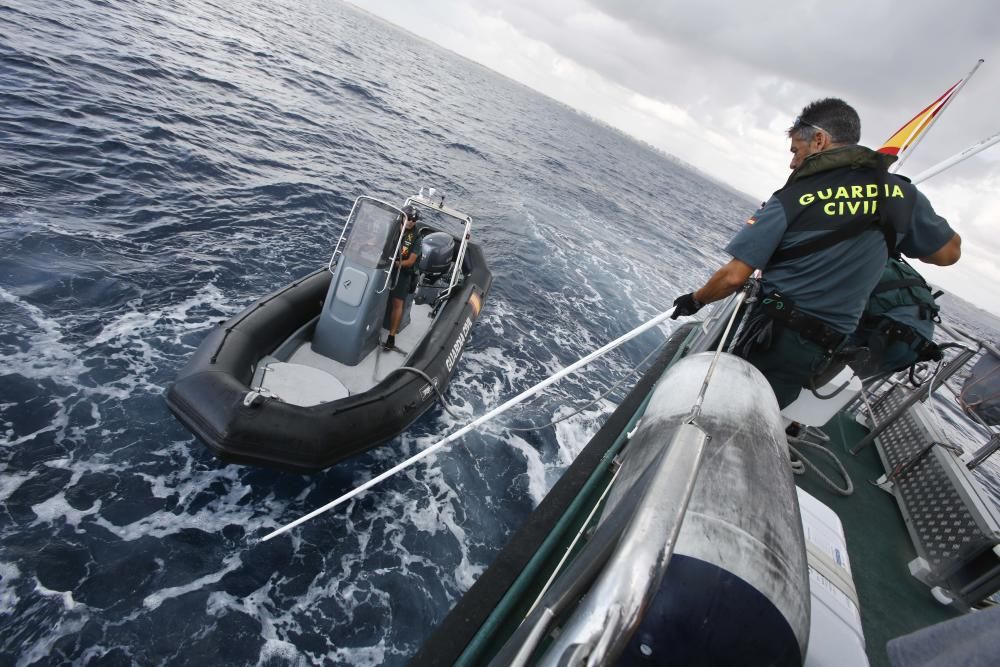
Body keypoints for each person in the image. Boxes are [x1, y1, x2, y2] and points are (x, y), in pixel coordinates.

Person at [671, 98, 961, 408]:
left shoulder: (794, 197)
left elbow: (733, 276)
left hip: (774, 338)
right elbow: (947, 254)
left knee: (726, 410)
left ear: (819, 140)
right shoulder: (903, 195)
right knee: (762, 413)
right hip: (825, 350)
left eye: (795, 150)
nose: (793, 163)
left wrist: (695, 301)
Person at [848, 256, 943, 379]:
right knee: (850, 380)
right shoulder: (895, 266)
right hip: (917, 347)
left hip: (885, 336)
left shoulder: (864, 260)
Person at [384, 204, 422, 351]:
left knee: (397, 302)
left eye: (414, 219)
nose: (411, 221)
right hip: (386, 264)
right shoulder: (392, 227)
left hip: (403, 271)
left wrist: (395, 264)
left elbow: (411, 261)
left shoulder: (417, 238)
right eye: (408, 218)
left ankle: (391, 336)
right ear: (401, 216)